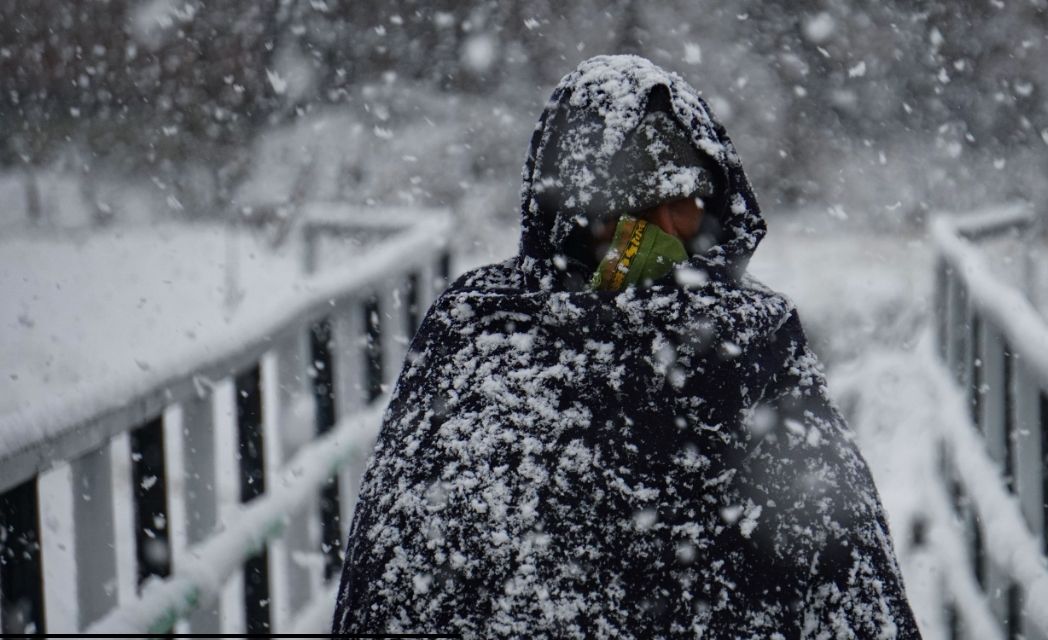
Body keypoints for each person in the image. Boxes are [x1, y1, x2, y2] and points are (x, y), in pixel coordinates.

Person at [332, 54, 920, 638]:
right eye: (628, 206)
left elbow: (847, 580)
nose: (658, 232)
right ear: (572, 216)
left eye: (683, 202)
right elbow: (401, 574)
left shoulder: (757, 348)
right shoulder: (482, 333)